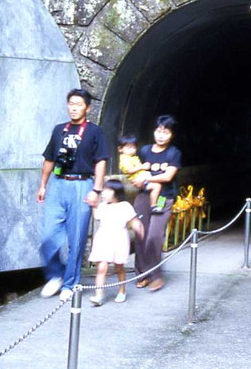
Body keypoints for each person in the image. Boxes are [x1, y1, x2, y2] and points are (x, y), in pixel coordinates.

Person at [36, 88, 110, 301]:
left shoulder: (95, 132)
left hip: (82, 184)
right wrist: (43, 185)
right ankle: (55, 275)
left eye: (78, 104)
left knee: (76, 239)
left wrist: (96, 190)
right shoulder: (60, 130)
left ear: (87, 108)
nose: (74, 108)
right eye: (71, 103)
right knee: (48, 236)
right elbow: (49, 158)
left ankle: (70, 283)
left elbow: (101, 161)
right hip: (58, 184)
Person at [131, 115, 182, 292]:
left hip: (164, 197)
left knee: (154, 236)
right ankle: (141, 274)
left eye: (165, 132)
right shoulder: (144, 151)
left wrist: (147, 179)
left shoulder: (173, 153)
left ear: (172, 135)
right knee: (140, 234)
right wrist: (138, 179)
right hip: (143, 196)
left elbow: (168, 176)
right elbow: (135, 171)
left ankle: (155, 275)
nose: (161, 135)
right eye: (158, 131)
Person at [87, 179, 145, 306]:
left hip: (119, 239)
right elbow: (97, 216)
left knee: (119, 267)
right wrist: (93, 206)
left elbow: (134, 221)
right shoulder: (103, 205)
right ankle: (99, 295)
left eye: (108, 190)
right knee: (102, 267)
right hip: (103, 237)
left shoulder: (125, 206)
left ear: (117, 192)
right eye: (104, 190)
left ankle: (122, 290)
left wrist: (139, 229)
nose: (104, 193)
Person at [118, 134, 165, 213]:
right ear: (120, 149)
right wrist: (143, 167)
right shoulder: (124, 159)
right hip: (141, 179)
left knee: (160, 189)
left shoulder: (133, 157)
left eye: (134, 147)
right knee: (158, 187)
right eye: (128, 147)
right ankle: (154, 206)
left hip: (152, 181)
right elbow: (129, 170)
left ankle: (158, 206)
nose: (132, 150)